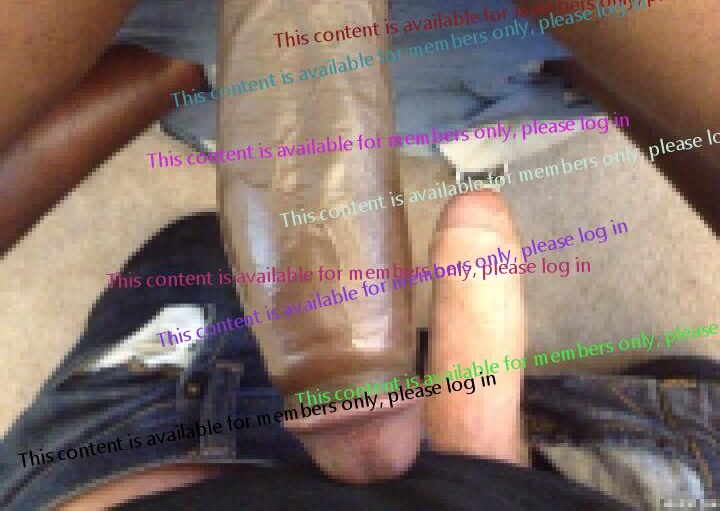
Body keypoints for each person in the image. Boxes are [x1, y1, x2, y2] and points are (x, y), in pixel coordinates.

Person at [3, 190, 633, 510]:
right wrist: (483, 481)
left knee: (197, 250)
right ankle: (476, 458)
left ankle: (471, 461)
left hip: (121, 440)